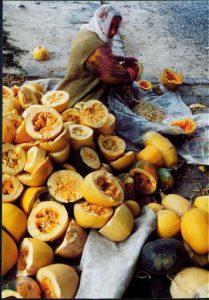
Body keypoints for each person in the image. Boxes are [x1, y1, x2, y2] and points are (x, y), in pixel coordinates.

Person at [57, 4, 140, 108]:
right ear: (102, 22)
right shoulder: (98, 48)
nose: (114, 32)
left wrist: (123, 59)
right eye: (110, 26)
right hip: (80, 98)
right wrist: (131, 74)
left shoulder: (87, 31)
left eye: (117, 27)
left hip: (69, 87)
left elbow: (102, 60)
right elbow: (112, 75)